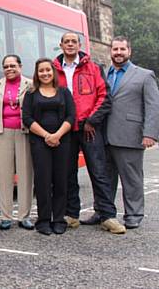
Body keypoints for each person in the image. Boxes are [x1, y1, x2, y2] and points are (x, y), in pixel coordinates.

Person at [52, 32, 126, 234]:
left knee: (99, 172)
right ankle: (71, 214)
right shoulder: (53, 69)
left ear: (79, 45)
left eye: (73, 42)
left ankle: (107, 215)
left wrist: (92, 120)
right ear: (61, 45)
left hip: (89, 128)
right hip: (65, 129)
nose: (70, 45)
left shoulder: (93, 68)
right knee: (67, 173)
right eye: (66, 42)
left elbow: (104, 97)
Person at [104, 36, 159, 229]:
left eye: (122, 49)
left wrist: (150, 133)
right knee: (104, 179)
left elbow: (153, 106)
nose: (118, 53)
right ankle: (104, 213)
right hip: (103, 136)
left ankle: (134, 214)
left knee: (132, 179)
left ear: (129, 51)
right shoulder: (104, 73)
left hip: (130, 135)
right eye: (115, 49)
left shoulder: (145, 75)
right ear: (110, 51)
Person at [22, 58, 75, 235]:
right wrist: (46, 136)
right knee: (43, 181)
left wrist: (57, 135)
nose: (45, 74)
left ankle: (59, 219)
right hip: (39, 141)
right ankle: (43, 220)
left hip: (62, 141)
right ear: (36, 74)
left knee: (60, 180)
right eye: (41, 71)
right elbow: (27, 118)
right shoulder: (30, 93)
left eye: (48, 70)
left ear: (54, 72)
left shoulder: (64, 92)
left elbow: (71, 116)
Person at [0, 55, 34, 230]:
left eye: (13, 65)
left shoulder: (30, 85)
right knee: (4, 174)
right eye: (6, 66)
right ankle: (6, 216)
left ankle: (24, 216)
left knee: (25, 174)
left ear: (20, 66)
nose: (9, 69)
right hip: (3, 132)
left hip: (24, 132)